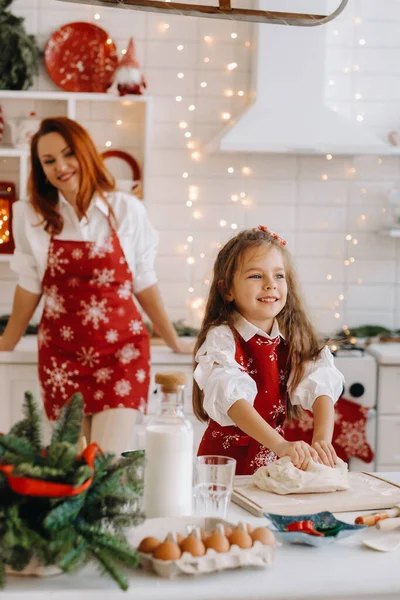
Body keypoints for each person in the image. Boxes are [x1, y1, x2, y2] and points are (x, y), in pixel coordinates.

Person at [0, 116, 190, 454]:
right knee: (72, 466)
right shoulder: (30, 215)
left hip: (121, 355)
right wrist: (7, 342)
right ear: (41, 169)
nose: (61, 166)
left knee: (106, 462)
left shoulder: (126, 209)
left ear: (85, 153)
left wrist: (173, 339)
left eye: (68, 153)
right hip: (61, 356)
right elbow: (30, 284)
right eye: (49, 160)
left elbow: (144, 280)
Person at [192, 225, 345, 475]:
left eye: (279, 276)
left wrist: (322, 439)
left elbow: (321, 384)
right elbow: (233, 399)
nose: (270, 285)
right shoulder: (222, 337)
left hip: (274, 461)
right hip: (224, 465)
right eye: (256, 276)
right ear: (227, 290)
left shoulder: (293, 336)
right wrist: (280, 444)